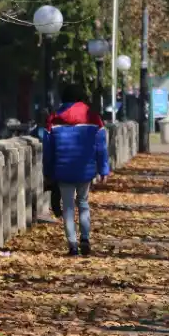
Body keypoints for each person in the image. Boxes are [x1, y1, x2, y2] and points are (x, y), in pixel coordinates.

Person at [43, 86, 110, 256]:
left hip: (63, 170)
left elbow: (48, 151)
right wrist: (103, 170)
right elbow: (101, 147)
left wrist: (48, 173)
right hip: (85, 169)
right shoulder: (94, 118)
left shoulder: (53, 119)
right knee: (83, 203)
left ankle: (72, 245)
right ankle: (85, 239)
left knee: (68, 207)